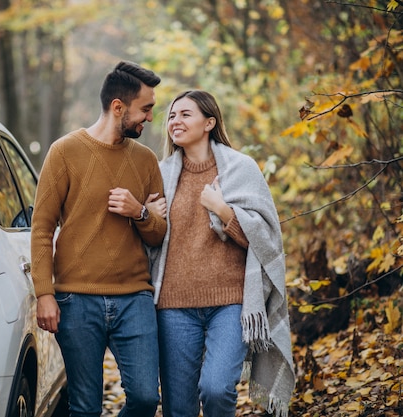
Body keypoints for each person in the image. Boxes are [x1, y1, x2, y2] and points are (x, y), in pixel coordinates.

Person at [30, 61, 168, 417]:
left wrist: (139, 211)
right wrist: (45, 294)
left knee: (145, 398)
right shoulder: (63, 152)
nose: (151, 118)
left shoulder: (147, 160)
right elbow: (42, 229)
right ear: (118, 106)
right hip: (76, 300)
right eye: (146, 109)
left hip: (134, 298)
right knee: (85, 407)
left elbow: (157, 235)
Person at [148, 90, 295, 417]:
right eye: (171, 116)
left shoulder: (242, 169)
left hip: (230, 303)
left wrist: (224, 211)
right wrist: (147, 214)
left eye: (185, 114)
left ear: (209, 122)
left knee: (216, 389)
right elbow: (148, 239)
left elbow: (267, 240)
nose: (175, 121)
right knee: (179, 406)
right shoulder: (160, 174)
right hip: (174, 306)